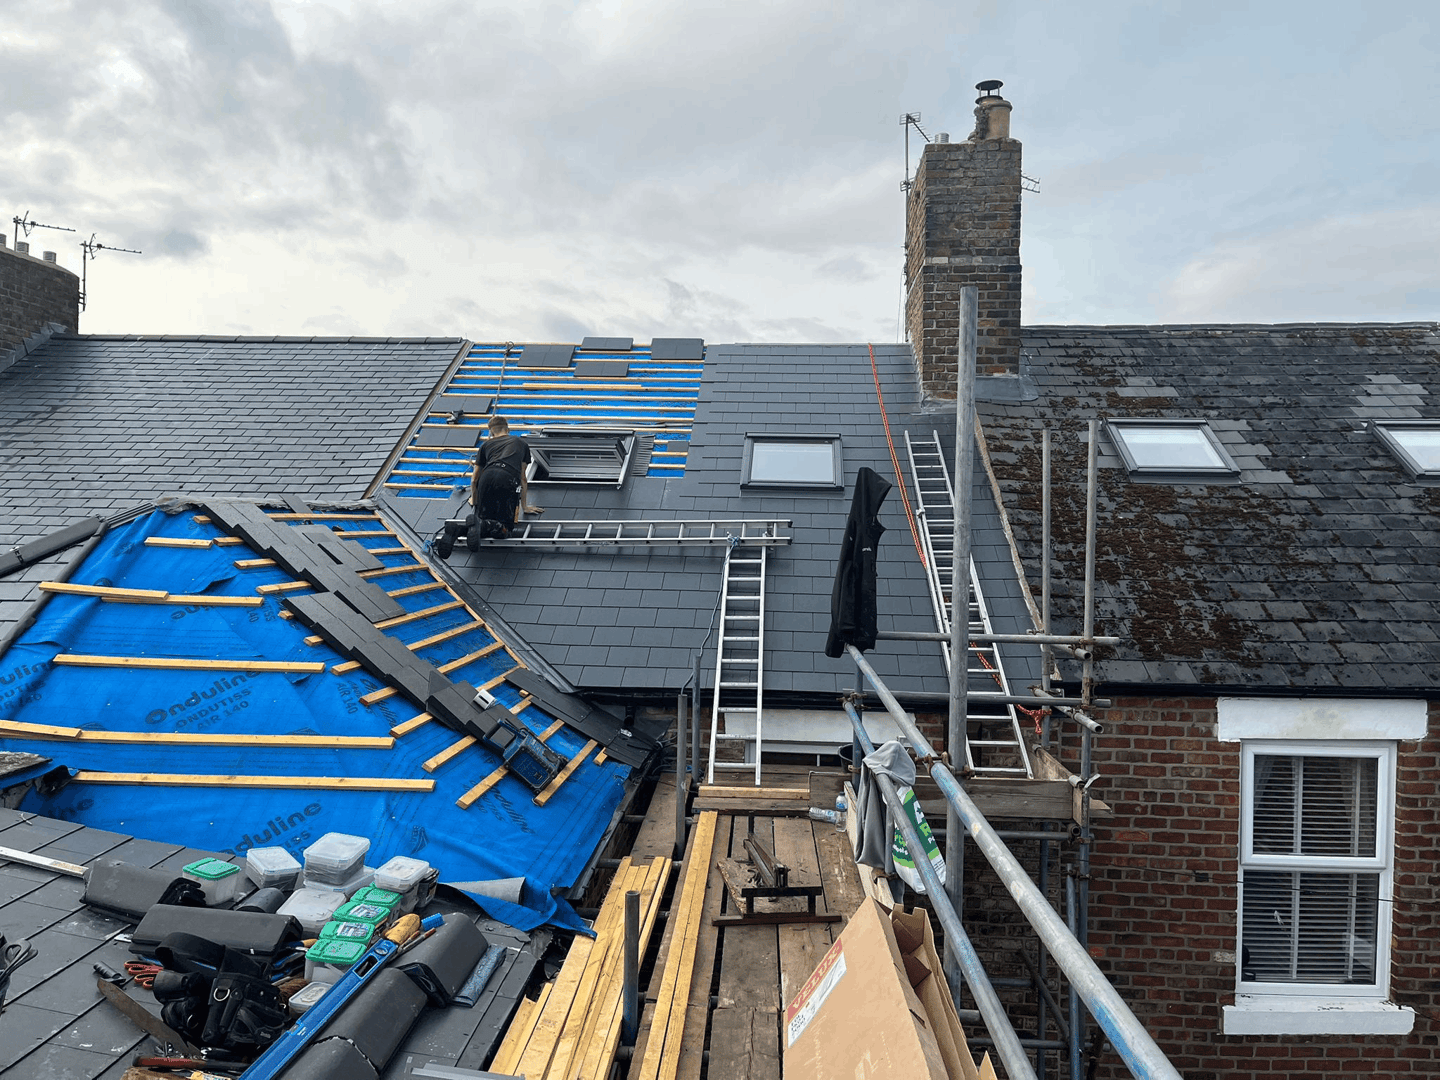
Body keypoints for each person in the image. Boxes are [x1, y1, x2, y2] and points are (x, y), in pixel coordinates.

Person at [471, 415, 541, 539]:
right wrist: (525, 506)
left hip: (486, 476)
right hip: (507, 477)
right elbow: (522, 477)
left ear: (491, 431)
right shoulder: (521, 443)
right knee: (506, 529)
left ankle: (461, 529)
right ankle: (494, 526)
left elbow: (474, 479)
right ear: (507, 429)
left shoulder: (485, 446)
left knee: (480, 525)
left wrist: (475, 501)